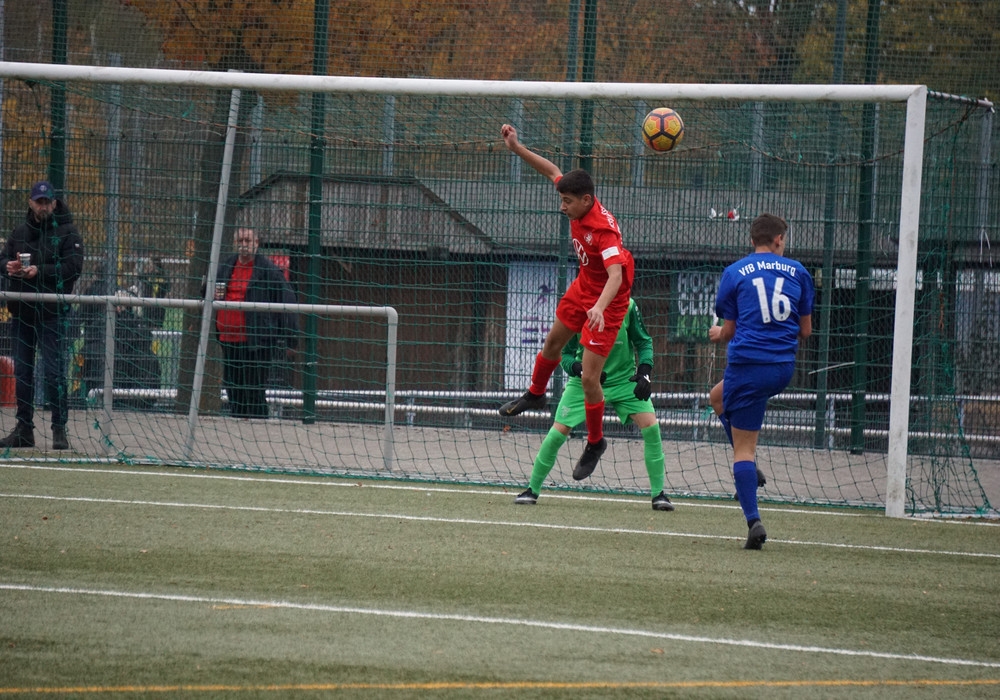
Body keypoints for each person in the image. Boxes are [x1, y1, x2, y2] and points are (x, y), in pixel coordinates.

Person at [498, 124, 634, 480]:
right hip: (584, 287)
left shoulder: (603, 231)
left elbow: (617, 277)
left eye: (567, 202)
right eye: (562, 199)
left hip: (609, 301)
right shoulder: (574, 199)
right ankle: (536, 393)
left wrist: (601, 309)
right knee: (553, 342)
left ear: (586, 201)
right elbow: (553, 171)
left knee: (590, 378)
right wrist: (517, 147)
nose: (563, 206)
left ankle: (595, 442)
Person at [708, 213, 814, 549]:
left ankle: (753, 520)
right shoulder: (799, 272)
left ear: (753, 239)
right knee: (717, 398)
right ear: (779, 239)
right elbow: (806, 330)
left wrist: (717, 334)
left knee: (743, 448)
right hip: (782, 368)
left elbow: (730, 331)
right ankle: (749, 472)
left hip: (748, 365)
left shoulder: (734, 272)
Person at [514, 298, 674, 511]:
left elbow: (644, 341)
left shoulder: (628, 306)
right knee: (557, 432)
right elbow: (565, 354)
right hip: (584, 381)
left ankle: (659, 495)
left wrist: (645, 372)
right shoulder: (581, 306)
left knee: (651, 427)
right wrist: (580, 369)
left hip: (624, 381)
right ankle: (531, 490)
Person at [0, 180, 84, 450]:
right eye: (39, 201)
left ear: (54, 203)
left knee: (54, 372)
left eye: (48, 201)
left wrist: (40, 271)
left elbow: (73, 267)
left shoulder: (69, 233)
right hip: (22, 313)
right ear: (31, 202)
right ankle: (24, 428)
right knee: (23, 372)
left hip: (52, 314)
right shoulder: (20, 232)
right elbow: (1, 259)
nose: (44, 205)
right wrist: (9, 267)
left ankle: (59, 429)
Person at [214, 227, 298, 418]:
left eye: (248, 241)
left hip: (256, 341)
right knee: (233, 387)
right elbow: (214, 290)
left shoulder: (269, 271)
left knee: (253, 389)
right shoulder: (226, 266)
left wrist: (291, 338)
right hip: (229, 339)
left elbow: (287, 302)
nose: (244, 245)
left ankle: (258, 424)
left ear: (256, 243)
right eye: (241, 241)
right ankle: (238, 421)